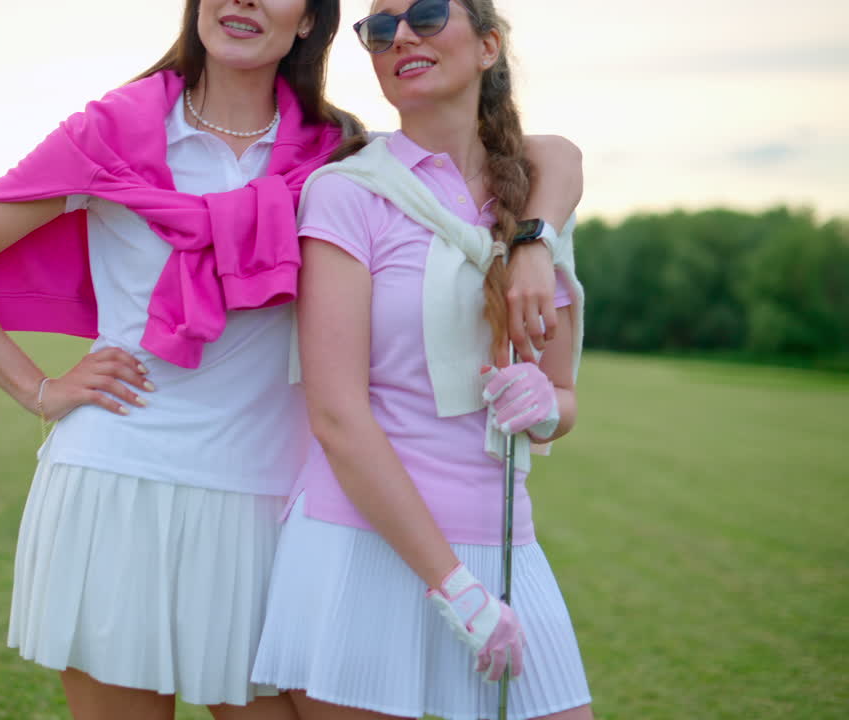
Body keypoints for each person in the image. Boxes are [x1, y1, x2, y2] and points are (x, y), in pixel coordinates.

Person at [0, 0, 582, 718]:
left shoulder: (337, 150)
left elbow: (550, 156)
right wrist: (38, 389)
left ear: (310, 21)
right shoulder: (109, 132)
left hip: (266, 500)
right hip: (116, 484)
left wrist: (534, 240)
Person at [250, 1, 593, 719]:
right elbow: (338, 416)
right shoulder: (347, 193)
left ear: (489, 45)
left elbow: (563, 402)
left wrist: (543, 404)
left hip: (502, 545)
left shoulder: (536, 205)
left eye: (428, 14)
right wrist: (452, 587)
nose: (400, 35)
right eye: (379, 30)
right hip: (359, 544)